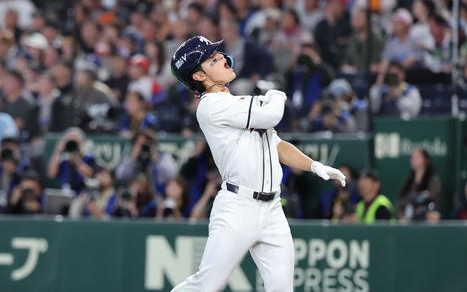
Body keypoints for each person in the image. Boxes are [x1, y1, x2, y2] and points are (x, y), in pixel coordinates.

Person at [169, 36, 346, 292]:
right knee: (206, 286)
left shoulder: (233, 101)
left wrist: (314, 165)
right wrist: (276, 94)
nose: (220, 57)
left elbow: (277, 145)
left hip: (272, 208)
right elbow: (272, 115)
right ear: (198, 76)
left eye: (217, 53)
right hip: (238, 208)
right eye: (211, 59)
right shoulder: (211, 106)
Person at [115, 129, 178, 196]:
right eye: (139, 144)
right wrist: (132, 159)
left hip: (157, 196)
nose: (143, 147)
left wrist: (157, 158)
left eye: (145, 143)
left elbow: (173, 174)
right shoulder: (131, 159)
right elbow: (120, 176)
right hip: (136, 195)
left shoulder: (162, 157)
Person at [395, 148, 441, 222]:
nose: (414, 159)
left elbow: (433, 200)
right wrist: (401, 216)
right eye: (413, 157)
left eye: (418, 156)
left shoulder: (432, 180)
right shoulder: (408, 181)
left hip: (425, 221)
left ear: (426, 160)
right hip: (408, 222)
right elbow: (400, 202)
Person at [47, 127, 96, 192]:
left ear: (82, 142)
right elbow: (51, 174)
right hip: (66, 196)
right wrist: (57, 151)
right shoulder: (64, 159)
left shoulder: (89, 157)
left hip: (83, 196)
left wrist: (76, 161)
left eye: (75, 142)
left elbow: (90, 176)